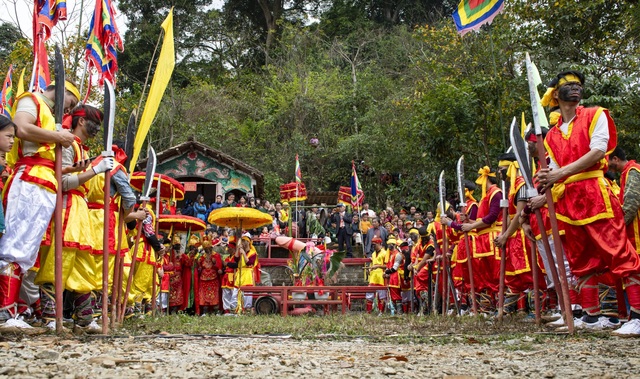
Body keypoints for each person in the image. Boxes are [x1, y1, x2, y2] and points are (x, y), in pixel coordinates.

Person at [536, 70, 640, 336]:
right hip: (569, 199)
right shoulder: (550, 137)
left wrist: (559, 173)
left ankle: (637, 316)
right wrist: (547, 178)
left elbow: (598, 151)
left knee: (619, 253)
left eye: (578, 84)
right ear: (555, 95)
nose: (575, 88)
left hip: (595, 194)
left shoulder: (596, 115)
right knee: (581, 260)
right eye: (568, 85)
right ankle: (592, 316)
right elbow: (556, 168)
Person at [0, 82, 78, 325]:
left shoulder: (50, 111)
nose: (69, 110)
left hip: (45, 181)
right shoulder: (32, 100)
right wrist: (57, 136)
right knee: (17, 245)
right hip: (30, 179)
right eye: (71, 103)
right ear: (62, 92)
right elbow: (21, 127)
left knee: (29, 250)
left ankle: (16, 308)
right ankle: (5, 310)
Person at [34, 104, 114, 331]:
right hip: (66, 208)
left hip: (81, 212)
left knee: (84, 264)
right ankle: (50, 318)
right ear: (81, 121)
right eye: (94, 122)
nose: (97, 127)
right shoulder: (66, 145)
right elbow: (63, 181)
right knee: (56, 262)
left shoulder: (84, 150)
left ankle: (85, 319)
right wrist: (95, 171)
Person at [608, 147, 640, 252]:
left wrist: (618, 228)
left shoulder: (632, 171)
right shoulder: (626, 173)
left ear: (616, 159)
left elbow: (631, 206)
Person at [197, 237, 222, 315]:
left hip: (213, 278)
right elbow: (199, 267)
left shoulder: (216, 256)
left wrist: (215, 263)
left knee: (214, 295)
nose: (207, 250)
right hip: (203, 278)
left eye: (208, 248)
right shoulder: (201, 257)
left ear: (211, 247)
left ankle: (216, 311)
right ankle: (205, 311)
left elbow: (220, 268)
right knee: (203, 295)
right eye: (206, 249)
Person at [366, 237, 388, 314]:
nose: (373, 246)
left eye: (374, 245)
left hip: (381, 277)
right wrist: (369, 269)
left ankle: (381, 312)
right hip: (372, 277)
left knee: (381, 296)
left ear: (379, 244)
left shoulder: (385, 253)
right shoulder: (373, 254)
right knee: (369, 294)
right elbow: (372, 264)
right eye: (372, 245)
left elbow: (387, 266)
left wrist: (378, 266)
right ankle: (368, 312)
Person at [384, 237, 404, 314]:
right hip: (391, 276)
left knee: (396, 294)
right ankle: (395, 310)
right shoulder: (390, 254)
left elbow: (395, 268)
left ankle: (399, 311)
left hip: (396, 276)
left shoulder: (397, 254)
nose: (389, 246)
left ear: (394, 245)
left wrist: (387, 272)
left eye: (390, 244)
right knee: (392, 294)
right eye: (388, 244)